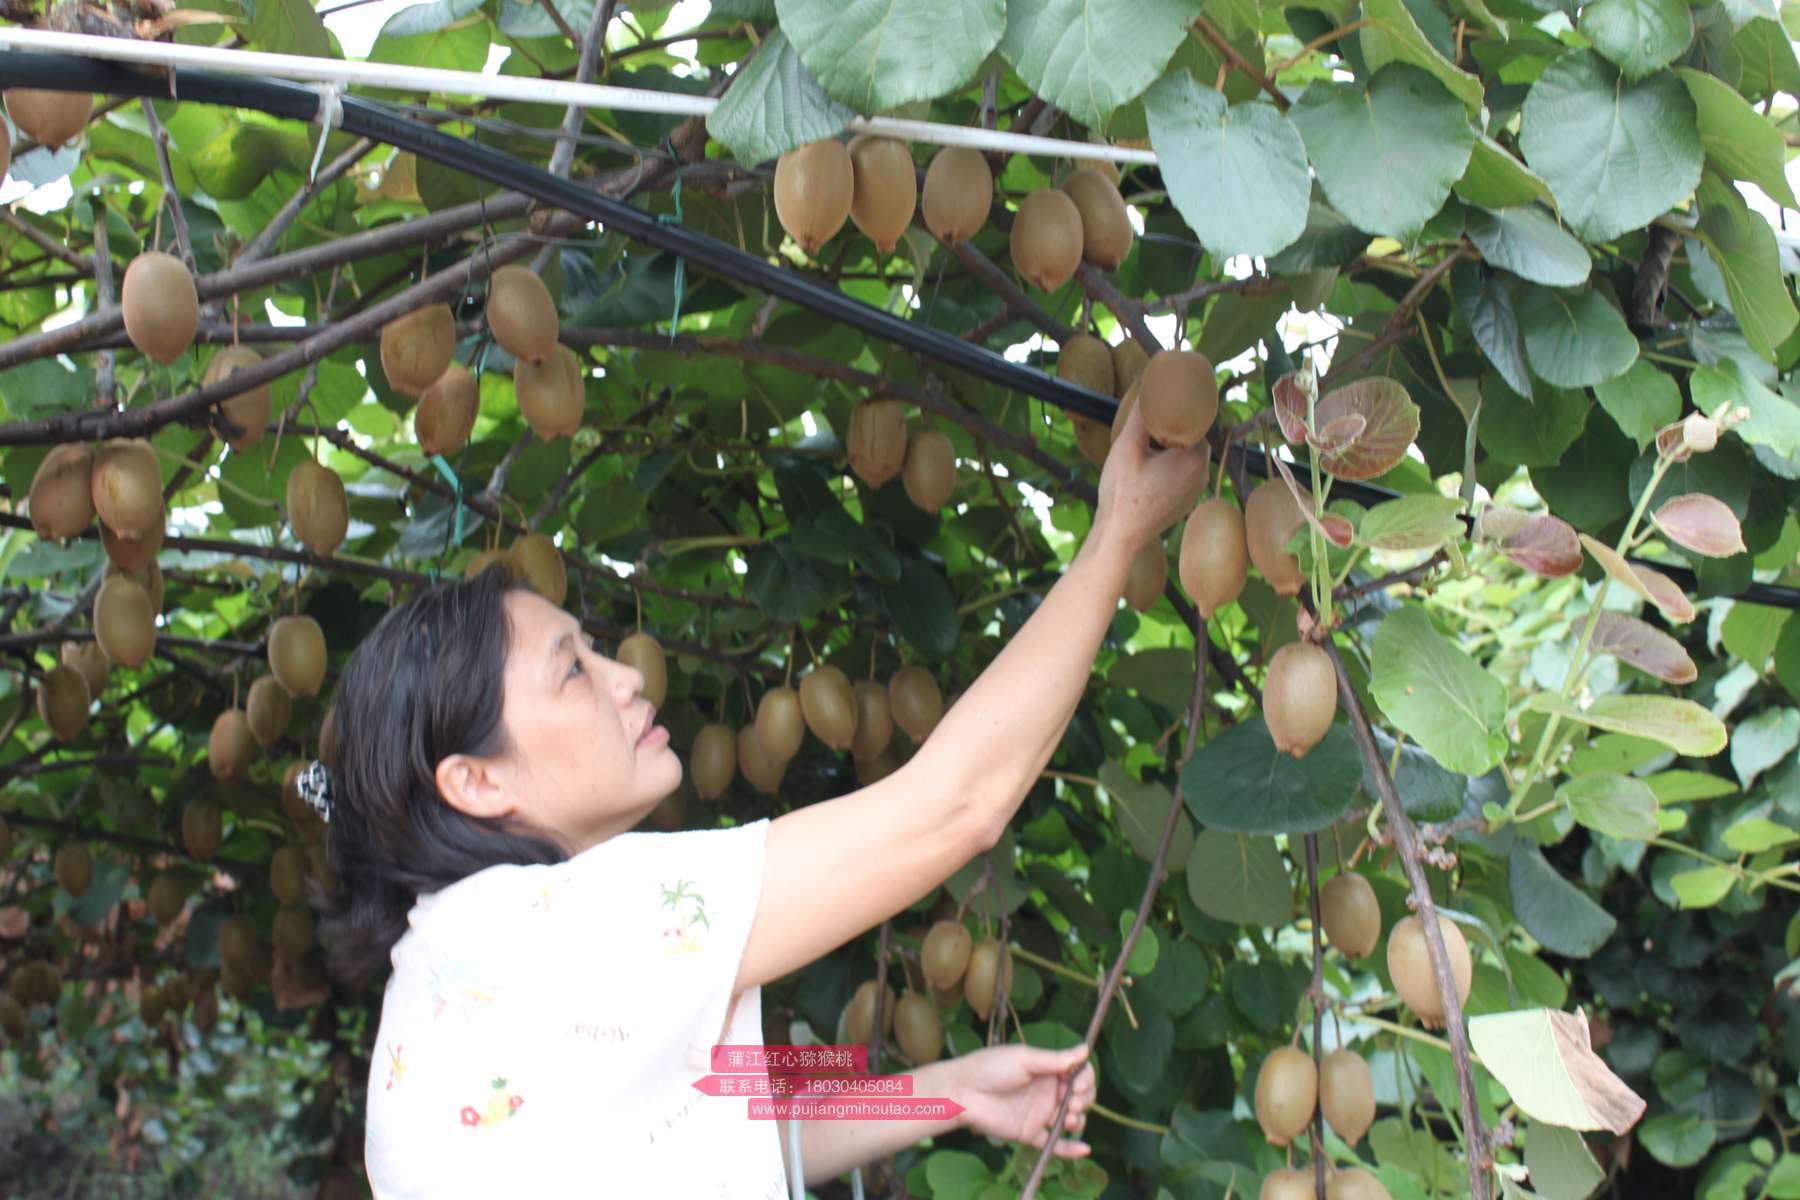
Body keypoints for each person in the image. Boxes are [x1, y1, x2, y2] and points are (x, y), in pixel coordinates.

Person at [313, 400, 1209, 1197]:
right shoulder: (556, 927)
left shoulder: (461, 966)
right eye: (572, 672)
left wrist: (950, 1089)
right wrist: (1116, 538)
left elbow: (694, 1116)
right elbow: (955, 806)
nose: (624, 676)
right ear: (477, 781)